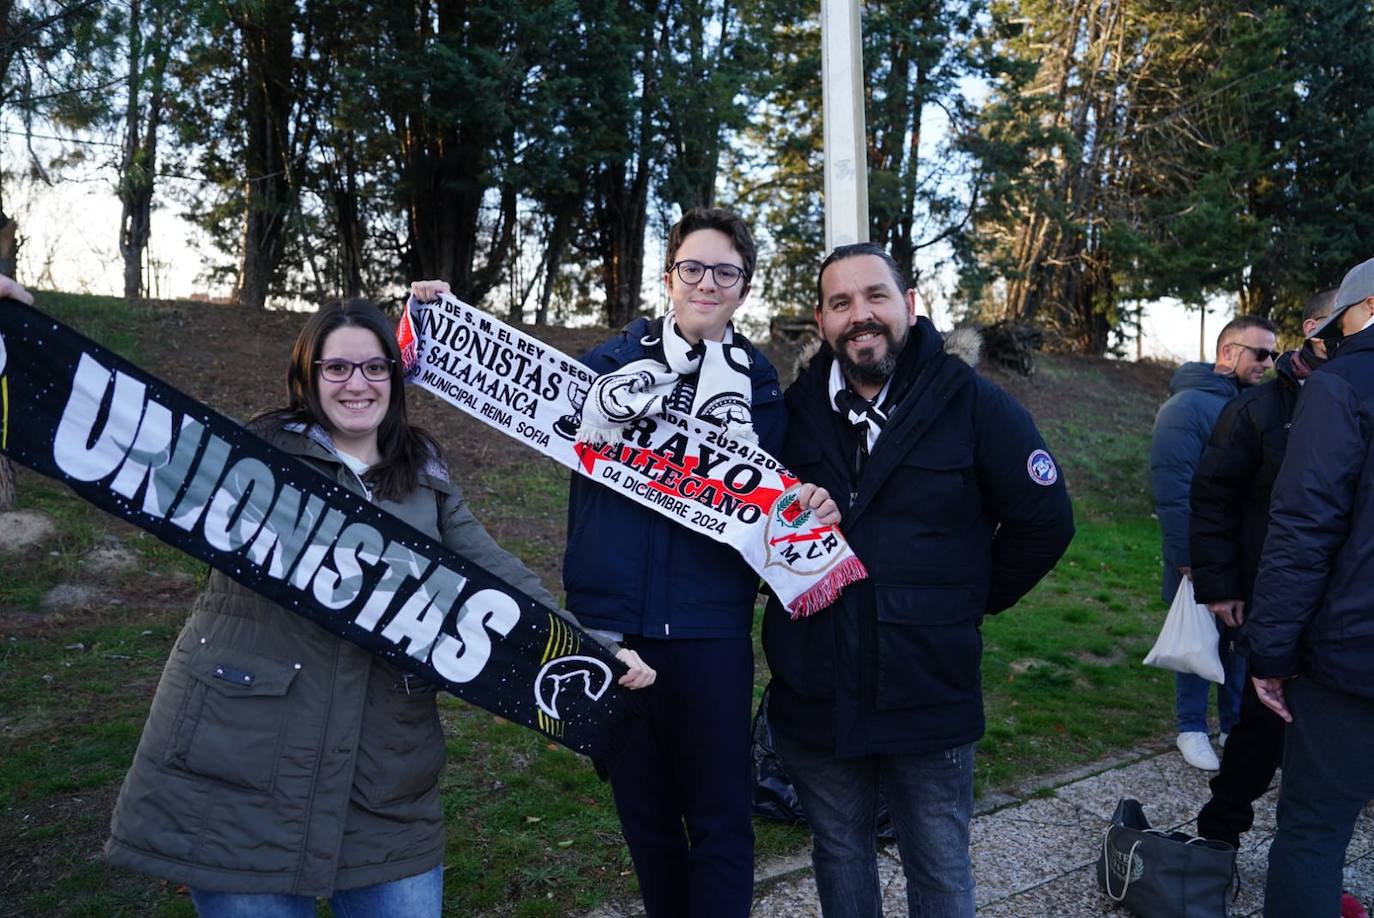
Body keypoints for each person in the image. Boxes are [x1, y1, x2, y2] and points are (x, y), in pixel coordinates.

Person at [103, 298, 655, 917]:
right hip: (241, 759)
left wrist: (591, 651)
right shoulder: (248, 457)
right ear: (307, 376)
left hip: (384, 775)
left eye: (374, 367)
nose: (357, 384)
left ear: (397, 375)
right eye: (336, 368)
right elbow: (121, 439)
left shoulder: (423, 473)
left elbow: (501, 578)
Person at [760, 243, 1074, 916]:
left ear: (910, 304)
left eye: (876, 296)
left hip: (927, 686)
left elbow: (1045, 521)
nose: (860, 316)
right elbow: (749, 531)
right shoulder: (791, 416)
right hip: (816, 685)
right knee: (840, 855)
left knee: (938, 866)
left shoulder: (974, 404)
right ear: (821, 321)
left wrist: (967, 600)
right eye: (841, 303)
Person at [560, 207, 837, 918]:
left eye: (725, 271)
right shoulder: (607, 367)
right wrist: (438, 321)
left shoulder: (761, 386)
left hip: (711, 630)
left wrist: (811, 499)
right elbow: (508, 387)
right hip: (616, 626)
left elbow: (790, 484)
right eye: (693, 268)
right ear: (669, 276)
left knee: (720, 817)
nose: (706, 282)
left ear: (743, 288)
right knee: (646, 819)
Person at [1246, 256, 1374, 917]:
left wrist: (1269, 653)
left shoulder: (1344, 381)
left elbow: (1303, 528)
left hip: (1351, 659)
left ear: (1367, 308)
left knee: (1313, 834)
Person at [1189, 291, 1333, 849]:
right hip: (1268, 593)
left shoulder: (1353, 397)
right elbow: (1212, 497)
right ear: (1318, 327)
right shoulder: (1257, 407)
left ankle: (1305, 862)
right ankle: (1218, 839)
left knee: (1322, 737)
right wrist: (1220, 585)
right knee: (1260, 725)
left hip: (1337, 605)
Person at [1149, 314, 1278, 770]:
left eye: (1273, 355)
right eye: (1260, 353)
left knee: (1237, 640)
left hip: (1243, 549)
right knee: (1196, 640)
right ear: (1228, 352)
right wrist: (1189, 558)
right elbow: (1172, 485)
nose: (1268, 363)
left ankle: (1232, 726)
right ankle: (1190, 728)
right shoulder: (1187, 408)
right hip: (1204, 553)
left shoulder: (1254, 405)